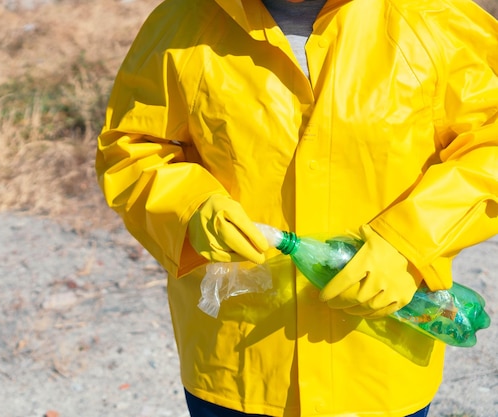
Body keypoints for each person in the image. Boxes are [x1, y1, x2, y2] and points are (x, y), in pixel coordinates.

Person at [95, 0, 498, 416]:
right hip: (238, 365)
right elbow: (132, 152)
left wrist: (409, 241)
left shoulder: (430, 17)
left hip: (378, 362)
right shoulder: (182, 25)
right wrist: (192, 207)